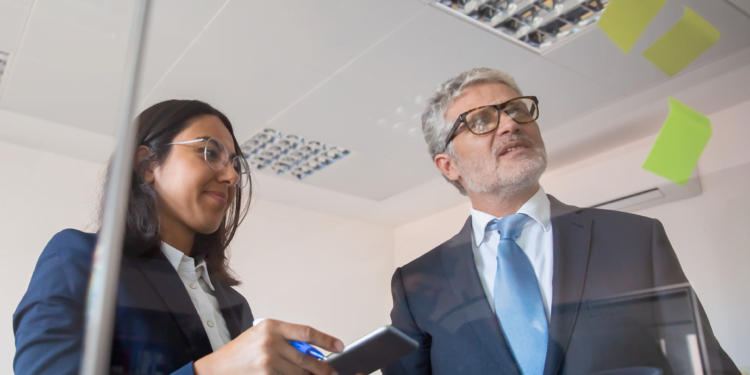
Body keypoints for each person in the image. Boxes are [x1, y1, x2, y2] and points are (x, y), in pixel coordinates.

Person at [382, 68, 740, 375]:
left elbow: (704, 364)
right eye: (480, 121)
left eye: (517, 110)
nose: (509, 123)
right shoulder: (416, 284)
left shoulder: (635, 238)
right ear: (449, 165)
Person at [14, 100, 347, 375]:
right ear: (147, 165)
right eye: (209, 152)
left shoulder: (234, 305)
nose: (231, 175)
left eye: (234, 163)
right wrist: (211, 371)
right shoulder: (80, 259)